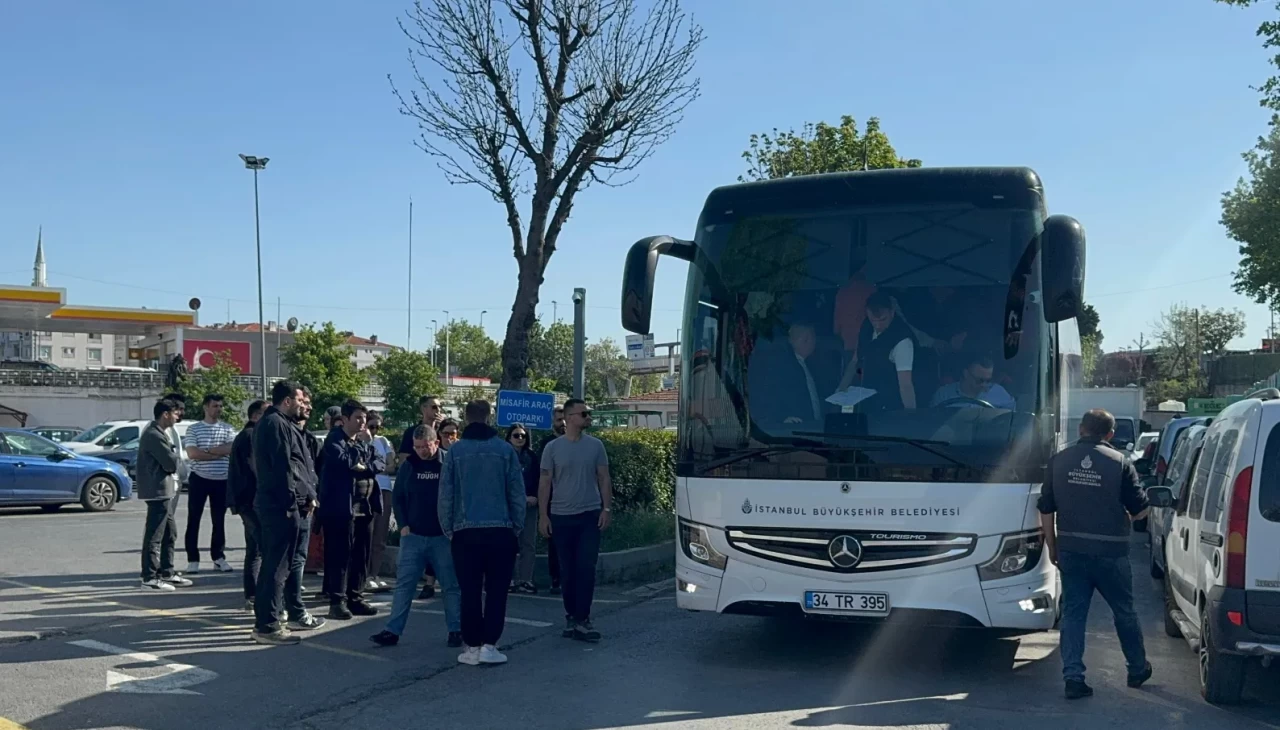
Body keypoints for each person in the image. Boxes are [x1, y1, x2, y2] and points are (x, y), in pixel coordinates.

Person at [1038, 408, 1152, 699]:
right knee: (1124, 612)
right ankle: (1137, 668)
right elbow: (1140, 510)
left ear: (1081, 430)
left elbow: (1046, 508)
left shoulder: (1058, 461)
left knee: (1074, 615)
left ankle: (1073, 677)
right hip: (1111, 552)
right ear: (1110, 434)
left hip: (1072, 551)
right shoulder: (1120, 463)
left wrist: (1053, 547)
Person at [439, 399, 525, 666]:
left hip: (465, 532)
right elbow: (517, 494)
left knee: (469, 590)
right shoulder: (505, 450)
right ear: (490, 417)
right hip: (501, 530)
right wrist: (516, 527)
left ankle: (472, 646)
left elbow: (446, 495)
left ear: (466, 418)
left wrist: (449, 529)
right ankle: (490, 645)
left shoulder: (456, 452)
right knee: (498, 590)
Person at [370, 425, 463, 648]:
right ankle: (392, 631)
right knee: (404, 586)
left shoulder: (449, 463)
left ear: (436, 443)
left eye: (426, 446)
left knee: (450, 586)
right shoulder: (409, 465)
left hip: (443, 537)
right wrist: (403, 525)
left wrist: (455, 529)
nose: (421, 451)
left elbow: (460, 496)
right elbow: (399, 497)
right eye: (417, 446)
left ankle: (456, 630)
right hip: (413, 536)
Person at [538, 398, 613, 643]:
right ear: (570, 418)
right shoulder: (552, 448)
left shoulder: (596, 446)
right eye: (584, 414)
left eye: (588, 413)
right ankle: (571, 616)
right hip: (561, 516)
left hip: (589, 515)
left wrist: (607, 508)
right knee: (567, 570)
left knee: (586, 568)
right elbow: (545, 482)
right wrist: (543, 515)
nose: (588, 417)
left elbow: (603, 478)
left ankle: (583, 618)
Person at [251, 380, 319, 646]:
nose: (303, 405)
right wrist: (293, 503)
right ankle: (267, 626)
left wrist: (308, 496)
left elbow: (299, 466)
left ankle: (272, 619)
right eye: (300, 400)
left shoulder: (281, 424)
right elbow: (283, 469)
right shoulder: (275, 424)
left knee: (280, 567)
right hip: (280, 508)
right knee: (275, 568)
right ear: (287, 401)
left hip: (285, 505)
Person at [318, 399, 384, 620]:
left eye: (364, 419)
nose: (362, 423)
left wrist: (364, 464)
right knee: (340, 556)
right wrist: (360, 453)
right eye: (357, 418)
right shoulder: (334, 439)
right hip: (341, 508)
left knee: (360, 555)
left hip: (364, 507)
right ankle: (337, 601)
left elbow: (378, 463)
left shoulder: (364, 441)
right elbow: (344, 461)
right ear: (344, 419)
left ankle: (356, 597)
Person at [137, 398, 193, 591]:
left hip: (166, 490)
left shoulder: (162, 433)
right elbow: (170, 462)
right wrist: (176, 457)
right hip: (158, 490)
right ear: (165, 414)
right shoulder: (154, 434)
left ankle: (167, 571)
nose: (178, 416)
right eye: (175, 413)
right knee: (155, 534)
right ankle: (149, 577)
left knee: (170, 532)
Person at [284, 390, 326, 631]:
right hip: (289, 506)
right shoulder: (282, 431)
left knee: (297, 559)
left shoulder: (307, 437)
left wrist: (313, 496)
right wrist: (305, 496)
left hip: (304, 505)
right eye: (303, 403)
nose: (306, 408)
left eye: (309, 404)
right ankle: (286, 611)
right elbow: (291, 471)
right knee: (284, 561)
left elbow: (312, 472)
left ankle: (292, 609)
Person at [747, 320, 841, 427]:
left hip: (813, 427)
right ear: (806, 339)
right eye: (813, 338)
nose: (815, 343)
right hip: (795, 430)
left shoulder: (809, 365)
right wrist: (780, 418)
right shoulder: (780, 365)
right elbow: (767, 394)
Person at [183, 394, 237, 574]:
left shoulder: (228, 429)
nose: (218, 409)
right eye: (215, 406)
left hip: (222, 479)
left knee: (219, 520)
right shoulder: (194, 429)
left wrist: (207, 451)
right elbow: (192, 453)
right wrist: (217, 453)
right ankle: (192, 559)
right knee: (194, 519)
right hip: (199, 477)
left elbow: (231, 448)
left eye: (220, 406)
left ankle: (218, 557)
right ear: (206, 407)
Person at [838, 291, 917, 411]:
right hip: (866, 401)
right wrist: (841, 388)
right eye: (873, 320)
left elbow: (905, 385)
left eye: (883, 320)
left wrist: (911, 416)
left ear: (892, 312)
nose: (877, 325)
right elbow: (855, 360)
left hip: (890, 406)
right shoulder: (866, 327)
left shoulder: (902, 340)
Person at [227, 399, 266, 610]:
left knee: (254, 549)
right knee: (261, 548)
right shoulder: (252, 436)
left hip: (245, 501)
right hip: (252, 501)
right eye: (266, 414)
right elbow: (256, 470)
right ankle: (256, 596)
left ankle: (251, 596)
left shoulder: (245, 435)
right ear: (255, 416)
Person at [508, 424, 541, 594]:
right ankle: (510, 579)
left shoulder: (532, 457)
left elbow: (539, 479)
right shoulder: (504, 456)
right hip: (510, 508)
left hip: (530, 506)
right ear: (509, 437)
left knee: (528, 544)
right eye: (516, 435)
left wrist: (535, 497)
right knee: (510, 544)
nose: (520, 438)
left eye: (523, 436)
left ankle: (526, 579)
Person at [366, 410, 396, 593]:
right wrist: (379, 467)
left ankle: (374, 575)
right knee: (366, 535)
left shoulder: (383, 441)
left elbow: (392, 465)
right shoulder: (362, 440)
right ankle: (363, 573)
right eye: (372, 426)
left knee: (380, 535)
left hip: (384, 489)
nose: (375, 430)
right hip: (368, 489)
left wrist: (378, 467)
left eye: (378, 426)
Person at [539, 406, 566, 593]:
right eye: (558, 420)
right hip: (552, 502)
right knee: (554, 544)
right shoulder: (546, 445)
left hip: (574, 501)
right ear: (553, 423)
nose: (562, 423)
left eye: (565, 419)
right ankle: (556, 579)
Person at [930, 352, 1016, 409]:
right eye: (980, 380)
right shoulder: (943, 395)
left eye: (988, 381)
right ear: (966, 373)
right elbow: (933, 424)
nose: (984, 385)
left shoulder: (999, 393)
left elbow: (1012, 423)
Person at [399, 395, 444, 460]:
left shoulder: (443, 431)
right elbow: (404, 458)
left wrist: (444, 425)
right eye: (434, 407)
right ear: (423, 408)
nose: (438, 409)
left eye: (440, 406)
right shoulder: (411, 432)